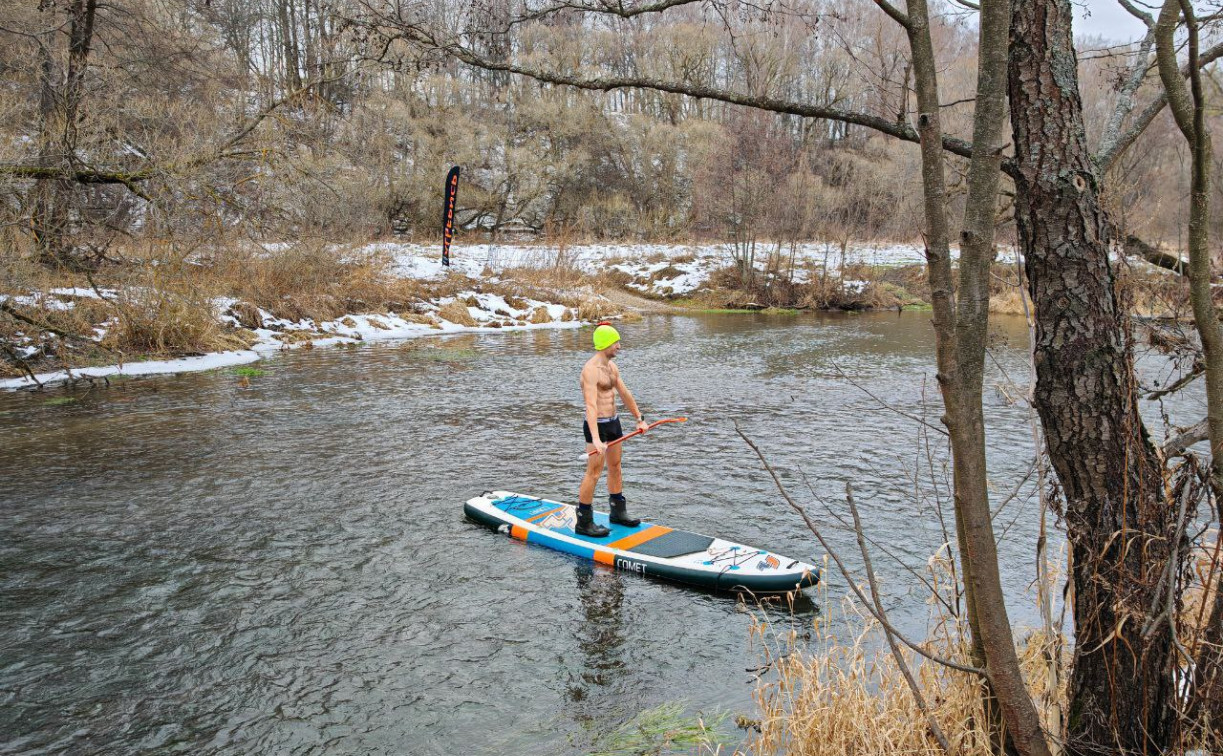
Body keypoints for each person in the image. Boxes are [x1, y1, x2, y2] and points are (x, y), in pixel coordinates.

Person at [576, 322, 649, 537]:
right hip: (596, 426)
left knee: (616, 467)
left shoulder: (611, 367)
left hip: (613, 422)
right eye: (616, 342)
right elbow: (591, 406)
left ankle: (618, 513)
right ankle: (584, 522)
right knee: (594, 473)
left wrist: (639, 418)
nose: (619, 346)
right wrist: (597, 440)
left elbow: (625, 393)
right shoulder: (590, 371)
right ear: (606, 343)